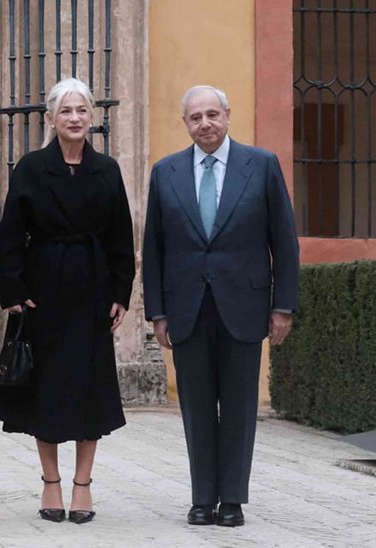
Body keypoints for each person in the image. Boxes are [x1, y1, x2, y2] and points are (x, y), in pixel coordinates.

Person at [142, 85, 299, 527]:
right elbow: (154, 248)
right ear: (186, 123)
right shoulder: (166, 172)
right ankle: (201, 498)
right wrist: (158, 313)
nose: (205, 124)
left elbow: (284, 240)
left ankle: (232, 500)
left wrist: (283, 306)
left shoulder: (261, 165)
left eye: (212, 114)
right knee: (195, 407)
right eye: (196, 117)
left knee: (238, 406)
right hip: (187, 308)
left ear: (227, 115)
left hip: (244, 306)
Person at [0, 77, 134, 524]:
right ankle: (51, 482)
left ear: (92, 116)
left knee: (90, 389)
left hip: (93, 290)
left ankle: (83, 485)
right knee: (47, 389)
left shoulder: (107, 169)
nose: (75, 118)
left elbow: (121, 237)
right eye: (66, 111)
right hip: (43, 291)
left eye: (82, 110)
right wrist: (14, 292)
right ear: (51, 118)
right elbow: (10, 234)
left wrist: (121, 293)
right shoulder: (32, 167)